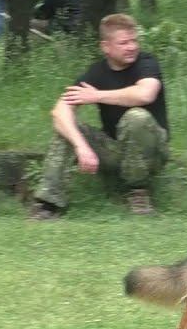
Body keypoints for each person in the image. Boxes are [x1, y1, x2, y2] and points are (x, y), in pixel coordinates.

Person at [29, 13, 170, 219]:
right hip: (115, 151)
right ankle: (48, 204)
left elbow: (145, 94)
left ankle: (138, 193)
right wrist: (81, 146)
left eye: (134, 41)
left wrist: (97, 96)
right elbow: (59, 111)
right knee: (68, 129)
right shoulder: (96, 72)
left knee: (136, 117)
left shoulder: (147, 63)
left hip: (152, 154)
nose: (131, 47)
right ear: (106, 47)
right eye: (123, 43)